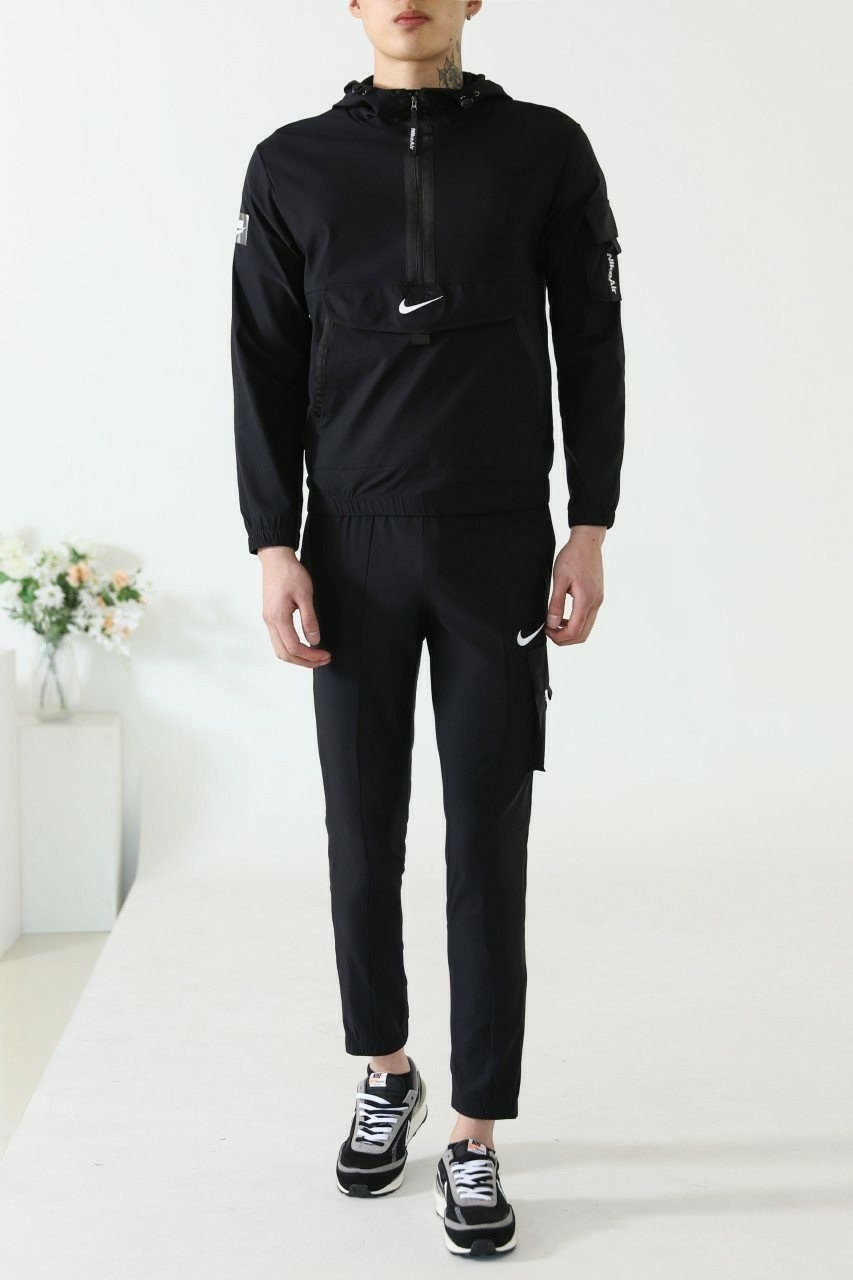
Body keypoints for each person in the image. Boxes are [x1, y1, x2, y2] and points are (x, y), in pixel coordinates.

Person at [231, 0, 624, 1257]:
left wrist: (590, 521)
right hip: (350, 543)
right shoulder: (292, 165)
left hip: (497, 544)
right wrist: (273, 540)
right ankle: (385, 1067)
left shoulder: (544, 149)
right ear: (351, 4)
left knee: (486, 846)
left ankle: (473, 1131)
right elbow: (263, 358)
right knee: (361, 834)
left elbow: (591, 336)